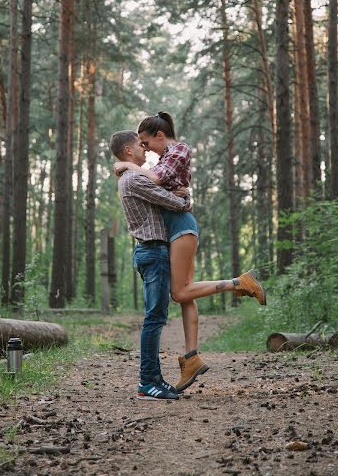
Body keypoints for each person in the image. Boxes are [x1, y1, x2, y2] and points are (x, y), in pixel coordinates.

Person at [113, 112, 266, 393]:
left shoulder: (177, 150)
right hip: (173, 229)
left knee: (180, 292)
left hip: (180, 226)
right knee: (187, 292)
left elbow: (159, 183)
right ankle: (191, 357)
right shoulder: (147, 168)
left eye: (146, 143)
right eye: (141, 146)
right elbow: (160, 189)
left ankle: (239, 283)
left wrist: (127, 165)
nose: (145, 150)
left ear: (160, 135)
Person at [110, 129, 192, 400]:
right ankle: (147, 382)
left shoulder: (132, 177)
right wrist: (185, 197)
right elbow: (174, 202)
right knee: (154, 319)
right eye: (140, 146)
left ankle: (154, 379)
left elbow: (167, 195)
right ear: (128, 151)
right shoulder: (134, 179)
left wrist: (181, 195)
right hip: (153, 251)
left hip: (152, 252)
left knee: (155, 318)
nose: (145, 150)